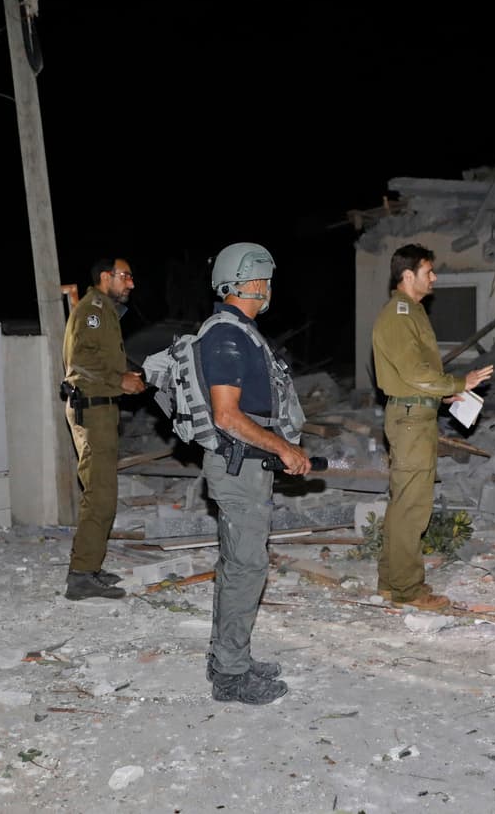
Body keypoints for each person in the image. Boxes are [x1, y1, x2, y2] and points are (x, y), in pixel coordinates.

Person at [200, 242, 309, 705]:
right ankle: (230, 674)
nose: (269, 289)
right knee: (247, 567)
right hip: (237, 466)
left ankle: (227, 656)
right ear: (249, 282)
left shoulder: (241, 332)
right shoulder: (226, 336)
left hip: (244, 464)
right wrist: (283, 447)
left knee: (237, 565)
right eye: (265, 280)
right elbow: (227, 415)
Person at [371, 244, 494, 610]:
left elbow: (413, 375)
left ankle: (392, 583)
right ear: (407, 276)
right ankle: (410, 590)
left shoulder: (413, 313)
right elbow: (413, 372)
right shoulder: (398, 315)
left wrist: (442, 398)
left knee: (403, 504)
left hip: (415, 415)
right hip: (410, 421)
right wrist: (459, 383)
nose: (435, 277)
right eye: (429, 271)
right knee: (413, 507)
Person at [61, 257, 147, 600]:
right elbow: (80, 362)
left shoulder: (106, 310)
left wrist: (130, 376)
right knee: (99, 495)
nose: (131, 284)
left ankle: (90, 567)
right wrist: (119, 380)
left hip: (101, 408)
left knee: (103, 493)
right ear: (105, 277)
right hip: (92, 410)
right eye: (125, 276)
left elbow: (103, 359)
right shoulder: (92, 309)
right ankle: (80, 576)